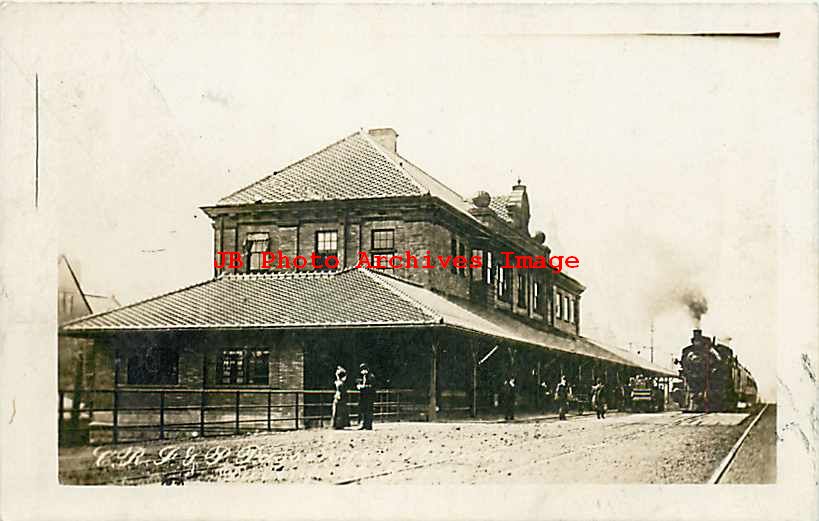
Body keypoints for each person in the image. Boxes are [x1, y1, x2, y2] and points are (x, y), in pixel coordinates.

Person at [356, 363, 376, 430]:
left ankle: (368, 425)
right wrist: (359, 386)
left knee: (369, 411)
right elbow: (357, 383)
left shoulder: (371, 376)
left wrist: (364, 387)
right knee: (362, 410)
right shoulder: (361, 377)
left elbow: (372, 386)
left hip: (369, 397)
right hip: (362, 396)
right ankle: (363, 424)